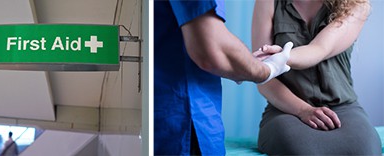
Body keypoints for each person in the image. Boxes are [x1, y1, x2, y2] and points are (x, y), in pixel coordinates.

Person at [154, 0, 295, 155]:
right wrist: (267, 69)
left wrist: (241, 67)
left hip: (163, 119)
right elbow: (211, 49)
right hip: (184, 124)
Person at [252, 0, 380, 154]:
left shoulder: (356, 4)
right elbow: (264, 79)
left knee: (365, 151)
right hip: (286, 109)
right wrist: (303, 110)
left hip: (342, 108)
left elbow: (319, 49)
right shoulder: (268, 2)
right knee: (301, 150)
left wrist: (281, 56)